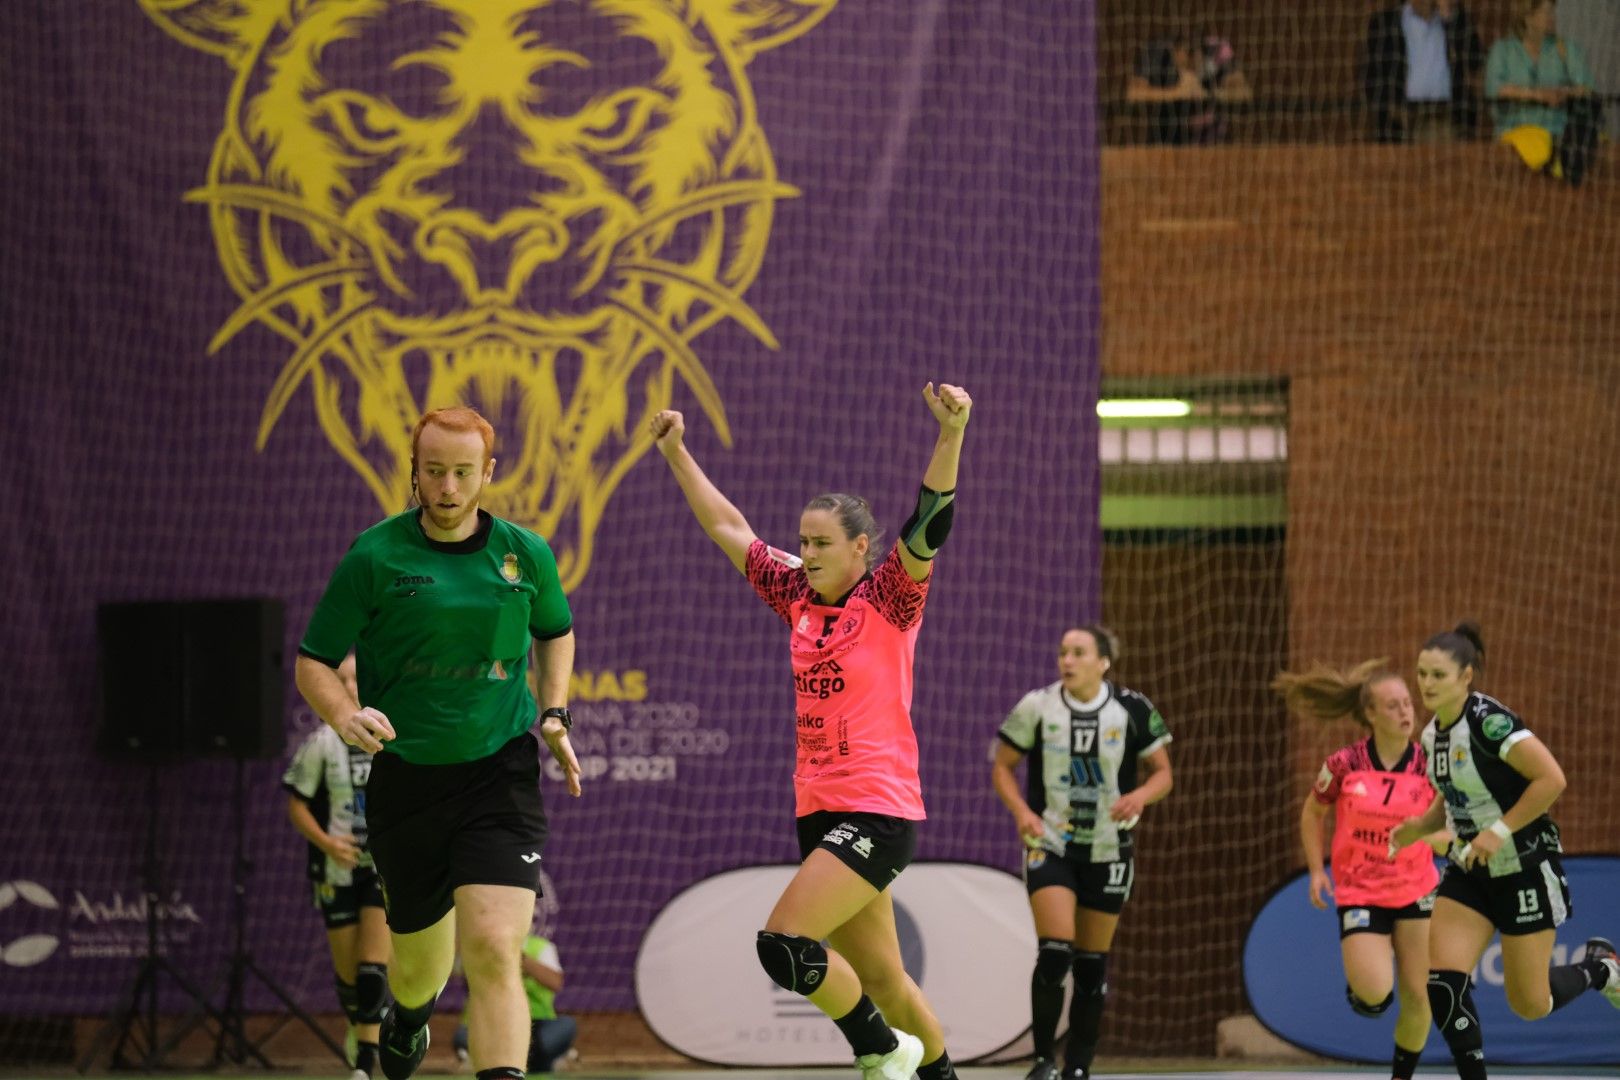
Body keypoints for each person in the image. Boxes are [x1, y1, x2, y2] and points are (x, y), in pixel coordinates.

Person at [648, 383, 972, 1080]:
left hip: (878, 809)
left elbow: (929, 523)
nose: (808, 552)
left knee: (784, 945)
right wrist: (677, 454)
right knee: (885, 981)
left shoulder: (889, 597)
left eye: (822, 542)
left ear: (860, 548)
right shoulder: (796, 592)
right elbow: (728, 527)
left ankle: (881, 1051)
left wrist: (951, 434)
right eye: (803, 541)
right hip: (818, 809)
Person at [295, 406, 583, 1080]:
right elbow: (314, 660)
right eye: (434, 472)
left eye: (462, 472)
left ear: (487, 472)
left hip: (499, 772)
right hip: (406, 781)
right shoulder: (374, 555)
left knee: (492, 948)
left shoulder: (525, 552)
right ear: (415, 472)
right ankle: (410, 1020)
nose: (448, 487)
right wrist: (344, 715)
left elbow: (555, 630)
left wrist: (555, 712)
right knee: (419, 975)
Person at [1389, 622, 1619, 1080]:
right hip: (1471, 871)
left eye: (1438, 675)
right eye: (1422, 674)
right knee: (1444, 985)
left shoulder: (1491, 724)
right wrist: (1419, 828)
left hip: (1525, 868)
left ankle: (1601, 969)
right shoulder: (1433, 735)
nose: (1426, 684)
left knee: (1530, 1004)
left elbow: (1551, 779)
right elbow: (1450, 799)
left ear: (1467, 676)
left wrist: (1499, 829)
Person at [991, 626, 1174, 1080]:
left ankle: (1078, 1066)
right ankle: (1041, 1061)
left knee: (1091, 965)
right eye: (1062, 653)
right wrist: (1021, 813)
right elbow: (1002, 766)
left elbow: (1163, 774)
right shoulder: (1038, 706)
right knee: (1055, 952)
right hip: (1050, 843)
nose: (1067, 661)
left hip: (1109, 850)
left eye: (1078, 653)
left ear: (1103, 662)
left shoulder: (1132, 708)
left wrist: (1140, 797)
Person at [1274, 659, 1445, 1080]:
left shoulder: (1430, 765)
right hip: (1360, 890)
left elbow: (1448, 830)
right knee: (1375, 993)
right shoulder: (1344, 765)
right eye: (1393, 706)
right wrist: (1317, 871)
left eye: (1408, 703)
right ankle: (1365, 987)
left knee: (1420, 996)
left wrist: (1425, 837)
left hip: (1416, 887)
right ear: (1370, 714)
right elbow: (1312, 814)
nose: (1406, 712)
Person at [284, 653, 391, 1080]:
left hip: (381, 870)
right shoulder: (322, 743)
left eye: (357, 678)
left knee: (371, 972)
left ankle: (365, 1065)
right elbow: (297, 804)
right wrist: (328, 843)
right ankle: (360, 1028)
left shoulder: (393, 737)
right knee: (349, 982)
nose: (350, 687)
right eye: (342, 680)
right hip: (337, 869)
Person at [1485, 0, 1600, 184]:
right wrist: (1537, 94)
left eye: (1552, 12)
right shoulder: (1503, 50)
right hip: (1515, 133)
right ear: (1527, 17)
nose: (1551, 18)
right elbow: (1494, 89)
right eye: (1545, 12)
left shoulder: (1565, 48)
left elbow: (1588, 89)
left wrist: (1564, 92)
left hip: (1560, 135)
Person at [452, 917, 578, 1074]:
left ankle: (537, 1056)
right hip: (491, 1022)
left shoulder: (540, 946)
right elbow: (454, 972)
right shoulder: (479, 947)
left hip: (537, 1023)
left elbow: (555, 982)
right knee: (463, 1036)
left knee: (566, 1025)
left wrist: (520, 959)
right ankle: (506, 1057)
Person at [1360, 0, 1484, 142]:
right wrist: (1394, 112)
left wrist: (1450, 19)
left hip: (1448, 114)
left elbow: (1475, 61)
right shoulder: (1385, 23)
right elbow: (1372, 78)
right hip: (1404, 116)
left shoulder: (1457, 19)